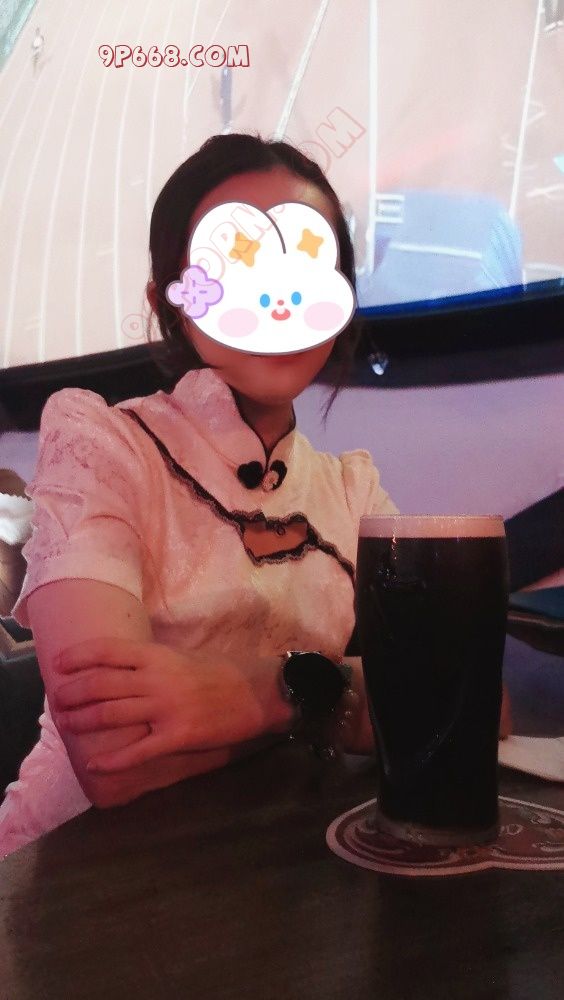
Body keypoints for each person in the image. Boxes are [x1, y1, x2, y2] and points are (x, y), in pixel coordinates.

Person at [0, 133, 400, 857]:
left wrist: (243, 695)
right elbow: (115, 759)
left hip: (272, 873)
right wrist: (317, 696)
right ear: (169, 302)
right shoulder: (101, 445)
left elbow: (468, 703)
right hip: (65, 882)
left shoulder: (353, 489)